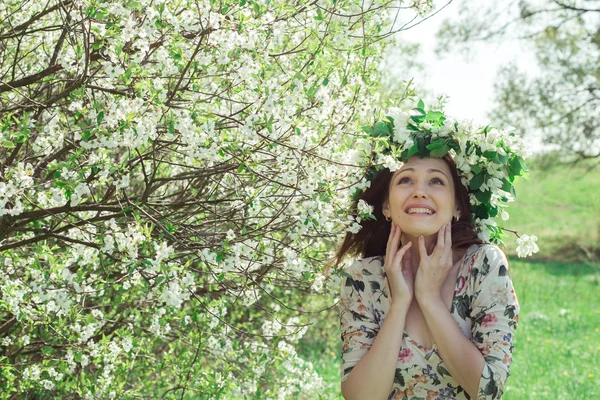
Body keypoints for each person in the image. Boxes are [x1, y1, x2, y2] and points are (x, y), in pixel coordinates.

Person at [335, 105, 528, 400]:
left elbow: (487, 391)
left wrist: (428, 299)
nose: (419, 192)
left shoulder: (484, 265)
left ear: (458, 207)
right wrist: (400, 303)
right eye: (405, 180)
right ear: (386, 206)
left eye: (436, 181)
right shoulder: (363, 278)